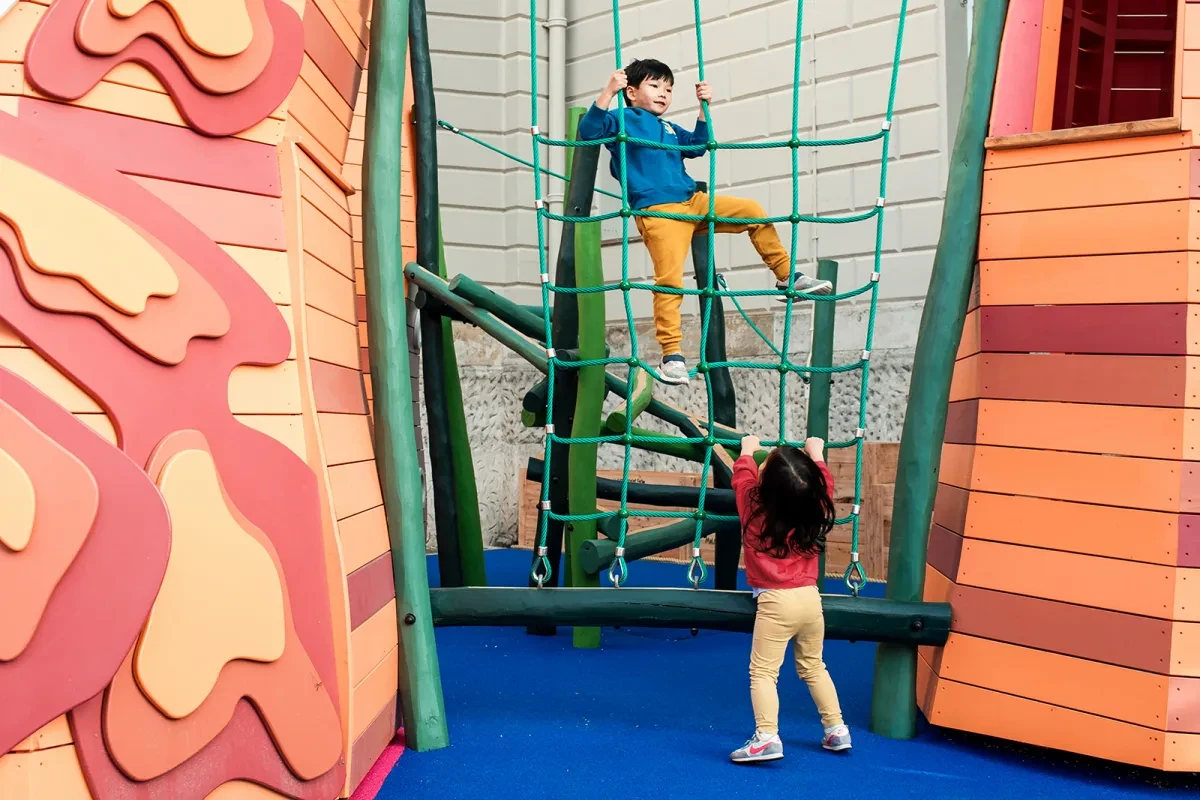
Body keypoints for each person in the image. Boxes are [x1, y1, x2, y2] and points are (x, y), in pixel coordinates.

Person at [577, 58, 832, 387]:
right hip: (659, 212)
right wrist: (607, 92)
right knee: (670, 281)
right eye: (654, 86)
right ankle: (672, 355)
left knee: (753, 210)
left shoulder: (667, 128)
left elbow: (698, 147)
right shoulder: (623, 119)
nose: (663, 94)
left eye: (668, 89)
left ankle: (787, 277)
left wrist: (703, 108)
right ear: (631, 91)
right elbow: (589, 132)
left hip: (692, 202)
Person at [727, 433, 851, 763]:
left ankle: (766, 737)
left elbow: (742, 478)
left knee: (764, 673)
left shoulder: (753, 507)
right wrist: (817, 455)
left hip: (775, 602)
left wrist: (748, 451)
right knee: (814, 666)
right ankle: (836, 729)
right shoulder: (812, 506)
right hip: (811, 601)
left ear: (765, 489)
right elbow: (823, 484)